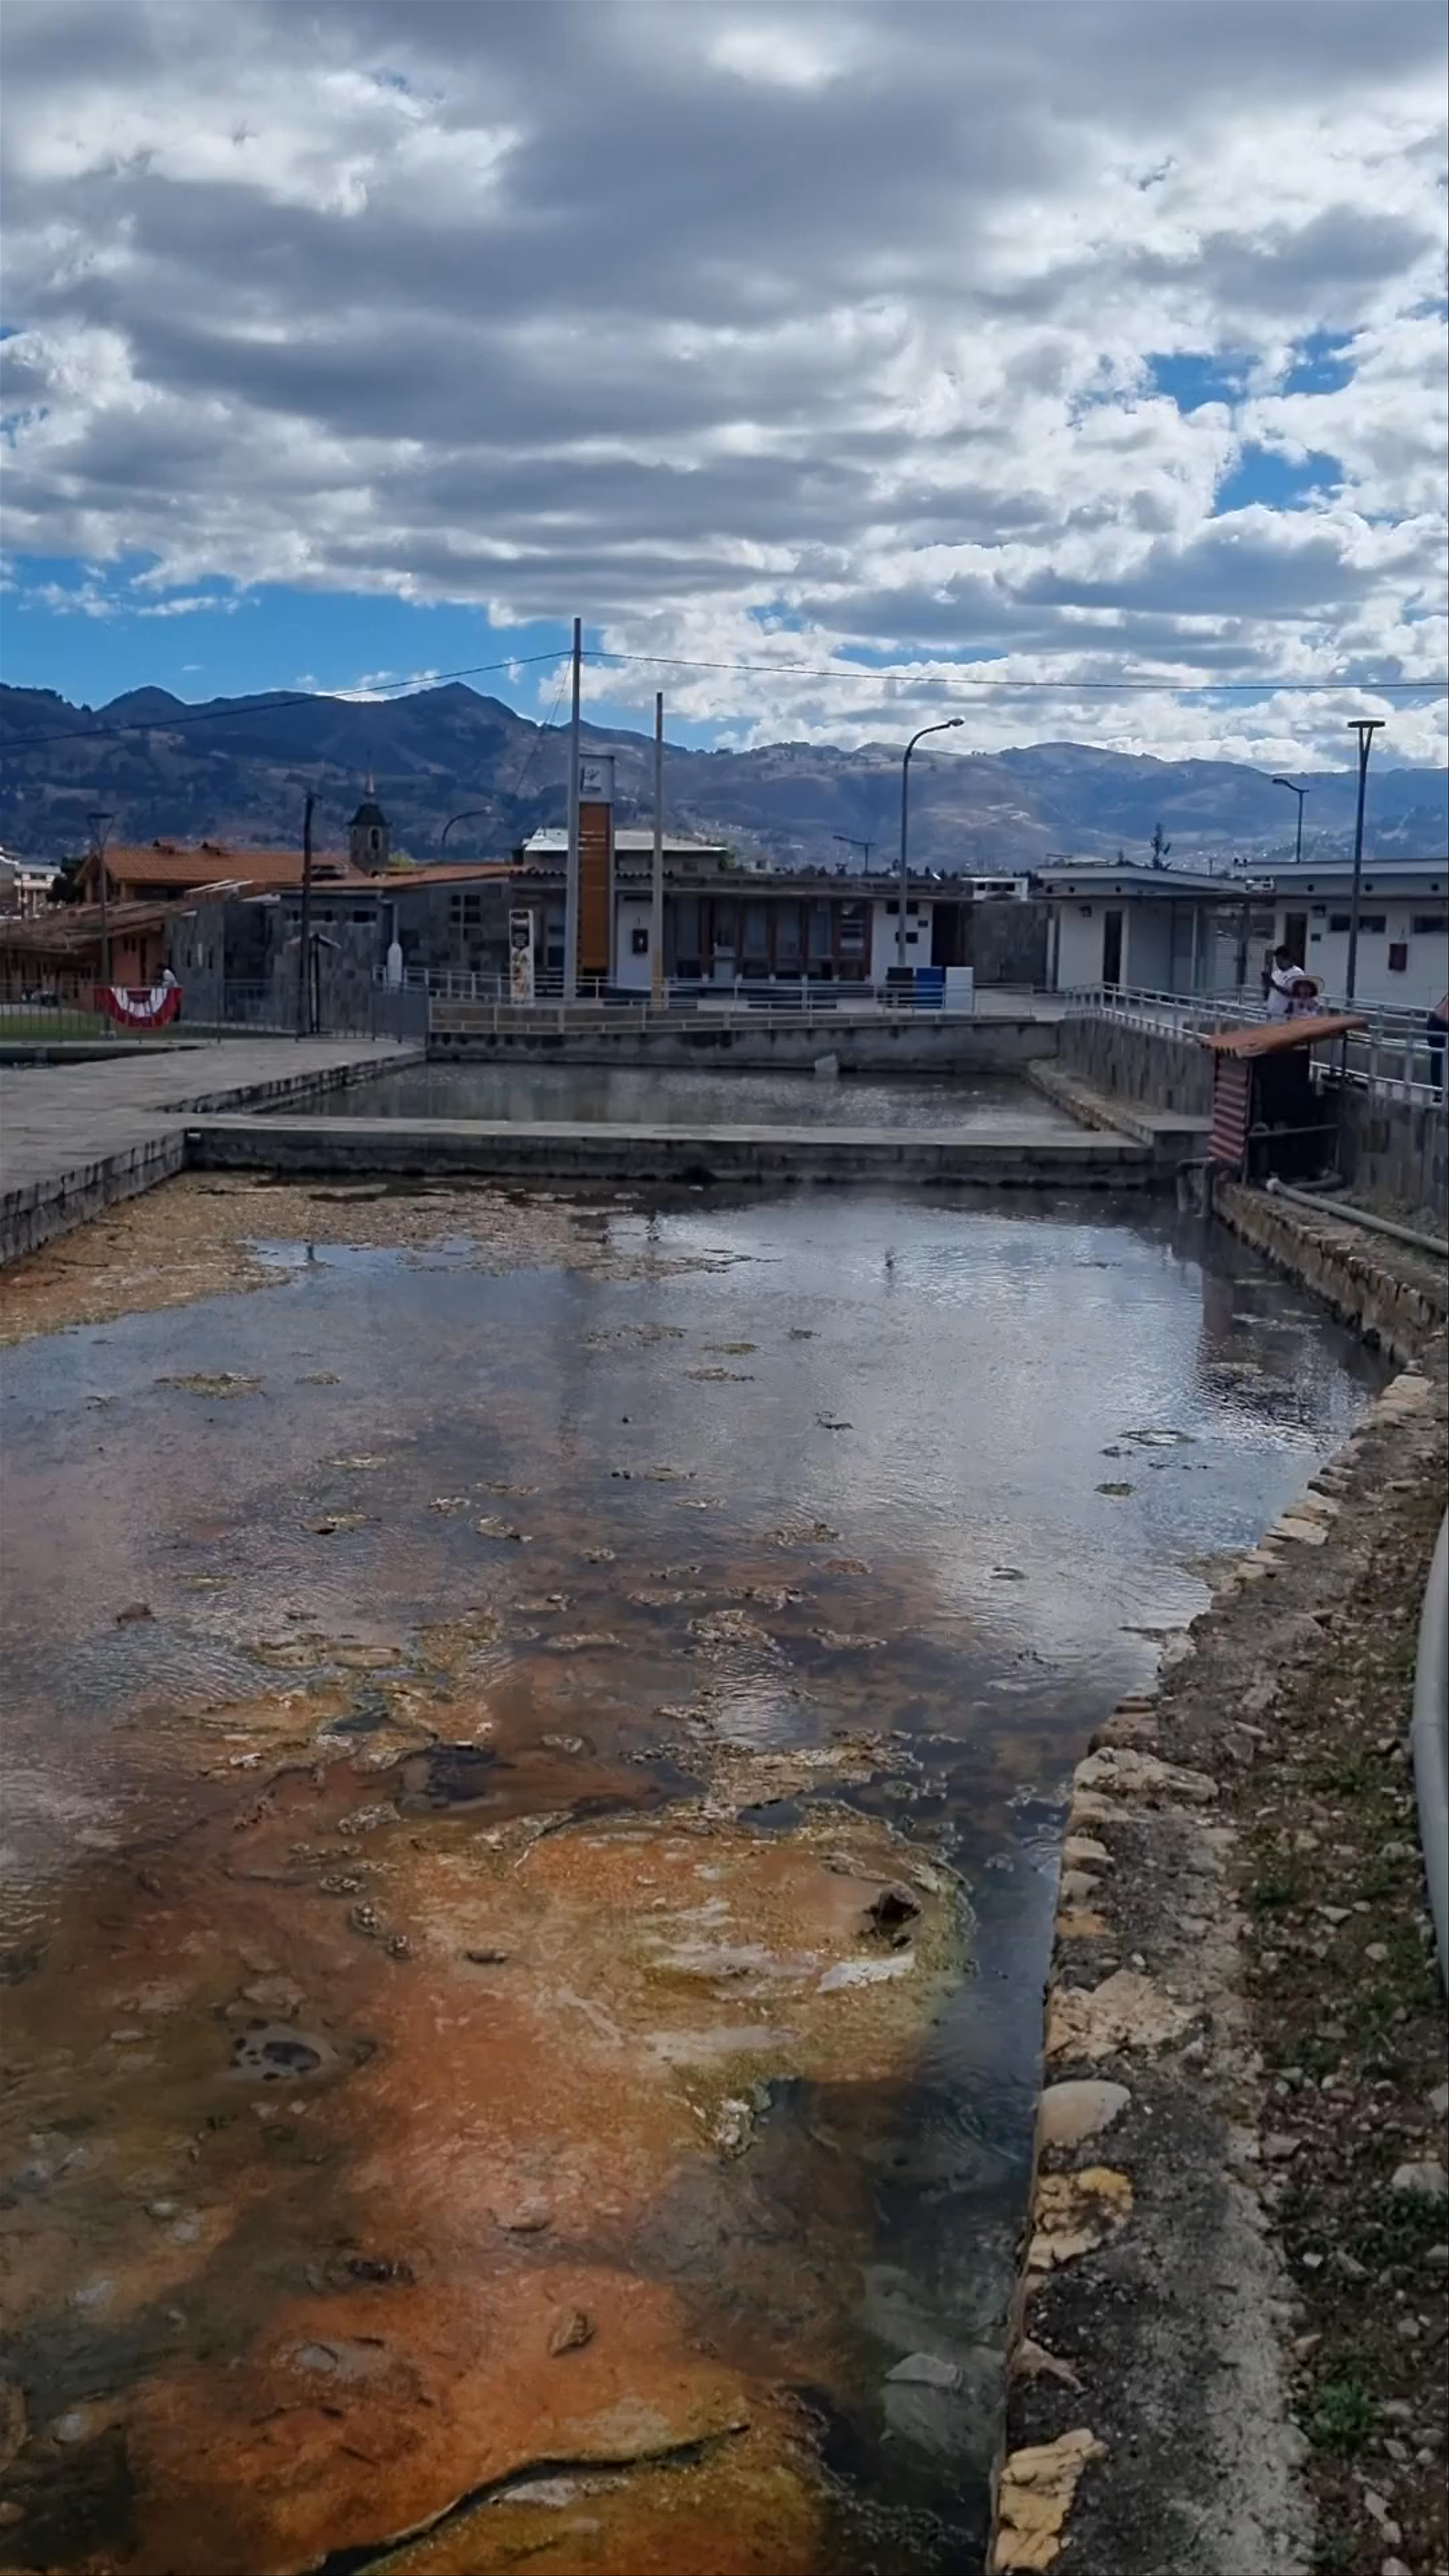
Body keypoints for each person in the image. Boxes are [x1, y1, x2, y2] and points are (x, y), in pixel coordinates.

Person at [1265, 945, 1312, 1021]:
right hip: (1272, 1015)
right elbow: (1272, 992)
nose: (1278, 964)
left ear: (1288, 959)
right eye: (1277, 962)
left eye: (1280, 961)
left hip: (1286, 1017)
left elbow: (1295, 993)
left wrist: (1276, 986)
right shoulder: (1276, 973)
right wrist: (1268, 985)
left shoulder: (1298, 973)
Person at [1427, 991, 1448, 1097]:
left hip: (1439, 1023)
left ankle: (1439, 1091)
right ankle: (1438, 1092)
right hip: (1438, 1025)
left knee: (1438, 1059)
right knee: (1437, 1059)